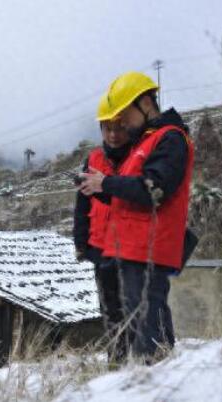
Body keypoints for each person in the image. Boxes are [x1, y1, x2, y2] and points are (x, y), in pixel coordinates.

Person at [79, 71, 194, 362]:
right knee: (137, 320)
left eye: (123, 115)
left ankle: (152, 380)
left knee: (146, 329)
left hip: (148, 247)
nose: (121, 124)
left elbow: (154, 191)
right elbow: (128, 197)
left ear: (144, 103)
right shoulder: (147, 141)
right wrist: (99, 188)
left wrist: (105, 184)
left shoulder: (170, 139)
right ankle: (153, 378)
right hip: (132, 247)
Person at [73, 100, 131, 364]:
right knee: (109, 306)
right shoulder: (93, 159)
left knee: (134, 303)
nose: (113, 134)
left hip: (132, 245)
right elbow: (82, 202)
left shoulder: (138, 156)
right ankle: (116, 360)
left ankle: (140, 359)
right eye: (107, 128)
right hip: (101, 246)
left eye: (119, 127)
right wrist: (80, 241)